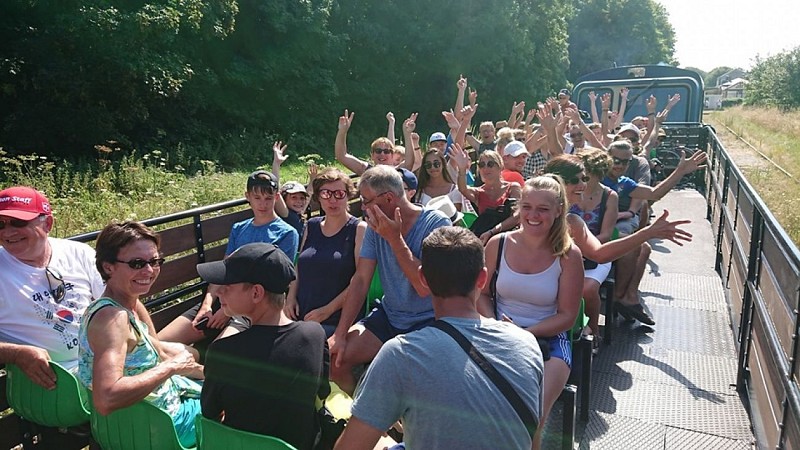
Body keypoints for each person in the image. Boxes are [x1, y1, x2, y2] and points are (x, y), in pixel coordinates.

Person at [335, 227, 543, 450]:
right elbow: (533, 441)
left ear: (423, 278)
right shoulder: (528, 343)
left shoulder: (401, 354)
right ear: (482, 278)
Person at [478, 175, 583, 450]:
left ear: (559, 210)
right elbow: (483, 295)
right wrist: (496, 325)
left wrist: (524, 333)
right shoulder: (497, 244)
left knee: (530, 416)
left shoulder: (569, 256)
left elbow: (567, 316)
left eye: (542, 209)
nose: (532, 215)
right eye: (527, 207)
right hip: (498, 332)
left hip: (547, 340)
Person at [78, 221, 203, 448]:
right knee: (239, 402)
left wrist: (194, 368)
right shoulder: (112, 320)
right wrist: (172, 367)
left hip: (139, 418)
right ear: (108, 267)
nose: (148, 271)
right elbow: (106, 398)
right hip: (157, 427)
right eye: (137, 263)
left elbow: (157, 351)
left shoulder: (125, 305)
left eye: (154, 261)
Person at [328, 165, 450, 395]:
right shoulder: (375, 224)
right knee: (336, 359)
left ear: (388, 198)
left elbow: (424, 288)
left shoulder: (436, 224)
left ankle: (402, 427)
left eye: (365, 200)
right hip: (390, 315)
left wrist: (394, 238)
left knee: (406, 380)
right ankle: (366, 420)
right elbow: (361, 280)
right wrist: (340, 334)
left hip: (427, 320)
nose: (362, 207)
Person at [199, 243, 329, 450]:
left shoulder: (224, 352)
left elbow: (210, 412)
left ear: (256, 293)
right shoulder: (315, 334)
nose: (220, 292)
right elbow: (322, 392)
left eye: (228, 286)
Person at [158, 170, 298, 345]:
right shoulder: (239, 228)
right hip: (224, 298)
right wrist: (207, 305)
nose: (263, 204)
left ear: (276, 198)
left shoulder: (287, 233)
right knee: (159, 342)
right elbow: (224, 270)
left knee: (219, 353)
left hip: (253, 308)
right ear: (247, 196)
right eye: (257, 198)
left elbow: (274, 282)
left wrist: (227, 312)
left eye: (268, 199)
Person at [0, 186, 105, 389]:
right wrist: (16, 353)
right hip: (54, 383)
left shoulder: (78, 252)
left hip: (105, 362)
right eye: (0, 224)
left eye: (18, 222)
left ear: (47, 223)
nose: (7, 232)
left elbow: (120, 301)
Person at [602, 140, 706, 324]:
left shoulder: (624, 183)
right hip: (595, 227)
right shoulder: (596, 175)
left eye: (625, 162)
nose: (619, 165)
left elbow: (654, 194)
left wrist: (679, 171)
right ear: (607, 158)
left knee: (645, 249)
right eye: (615, 160)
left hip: (609, 226)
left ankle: (627, 296)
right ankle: (618, 297)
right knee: (633, 247)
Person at [285, 168, 368, 337]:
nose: (332, 200)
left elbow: (360, 280)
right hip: (300, 314)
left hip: (334, 319)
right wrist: (290, 298)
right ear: (318, 197)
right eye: (325, 194)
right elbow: (298, 265)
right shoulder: (312, 225)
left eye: (339, 194)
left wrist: (326, 311)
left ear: (348, 196)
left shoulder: (358, 229)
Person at [545, 152, 618, 340]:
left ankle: (592, 331)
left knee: (586, 288)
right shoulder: (540, 211)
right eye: (575, 180)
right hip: (564, 261)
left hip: (591, 258)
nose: (582, 185)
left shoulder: (575, 220)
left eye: (584, 178)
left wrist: (647, 233)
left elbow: (600, 250)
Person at [451, 146, 521, 242]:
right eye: (482, 165)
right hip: (485, 240)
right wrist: (462, 169)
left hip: (509, 239)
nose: (485, 168)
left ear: (500, 166)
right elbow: (462, 188)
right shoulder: (478, 193)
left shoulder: (513, 188)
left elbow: (517, 216)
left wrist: (492, 231)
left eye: (490, 164)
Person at [334, 109, 415, 176]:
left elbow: (409, 162)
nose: (382, 154)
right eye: (378, 151)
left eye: (386, 151)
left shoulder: (397, 172)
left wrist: (407, 134)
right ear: (372, 155)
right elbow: (341, 156)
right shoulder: (365, 170)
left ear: (392, 155)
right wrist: (342, 131)